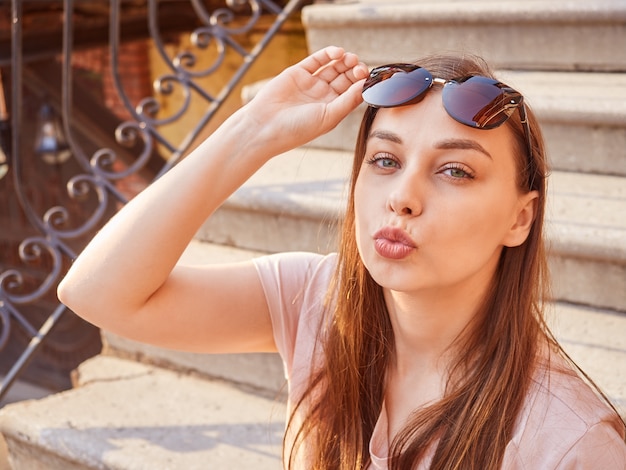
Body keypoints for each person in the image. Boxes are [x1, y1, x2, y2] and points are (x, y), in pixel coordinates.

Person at [58, 46, 626, 469]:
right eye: (384, 160)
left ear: (519, 218)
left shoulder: (569, 442)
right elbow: (96, 293)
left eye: (455, 170)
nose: (403, 196)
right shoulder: (316, 301)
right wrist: (253, 129)